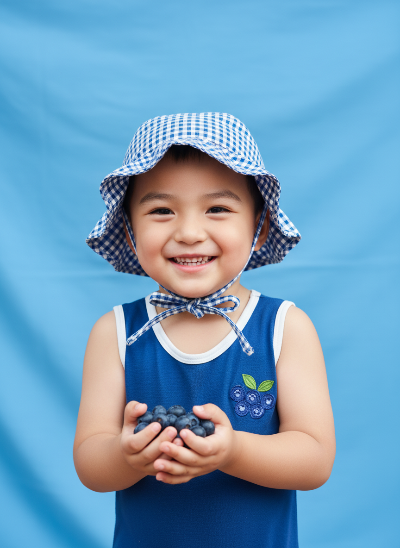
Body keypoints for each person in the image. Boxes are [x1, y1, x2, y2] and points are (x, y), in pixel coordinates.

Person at [73, 113, 336, 548]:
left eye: (217, 209)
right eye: (161, 210)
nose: (190, 232)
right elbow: (90, 464)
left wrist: (234, 452)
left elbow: (315, 460)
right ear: (130, 232)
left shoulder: (284, 327)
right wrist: (126, 454)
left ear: (259, 227)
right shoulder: (116, 332)